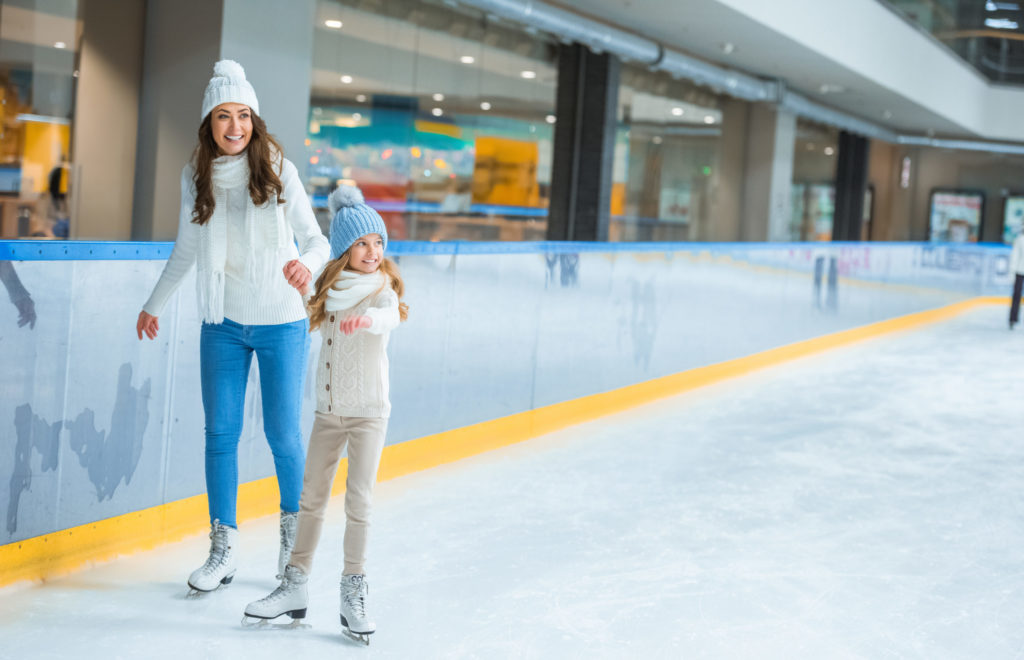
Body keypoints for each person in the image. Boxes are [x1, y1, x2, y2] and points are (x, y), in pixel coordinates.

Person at [136, 60, 330, 593]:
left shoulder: (278, 170)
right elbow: (188, 248)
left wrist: (303, 267)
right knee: (219, 436)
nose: (235, 127)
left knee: (282, 436)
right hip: (221, 320)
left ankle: (294, 551)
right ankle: (222, 550)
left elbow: (318, 243)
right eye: (224, 116)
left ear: (255, 120)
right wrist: (153, 304)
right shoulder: (194, 175)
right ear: (208, 123)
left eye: (244, 115)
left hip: (280, 321)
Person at [242, 184, 408, 645]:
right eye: (361, 243)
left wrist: (368, 321)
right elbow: (308, 309)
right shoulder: (329, 291)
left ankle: (352, 592)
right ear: (343, 249)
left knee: (359, 504)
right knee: (311, 498)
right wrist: (299, 286)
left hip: (369, 414)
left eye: (378, 242)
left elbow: (389, 317)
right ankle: (294, 585)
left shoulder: (381, 291)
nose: (372, 251)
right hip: (329, 413)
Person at [1011, 232, 1024, 329]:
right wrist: (1012, 272)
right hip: (1019, 271)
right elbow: (1014, 256)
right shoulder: (1020, 239)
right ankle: (1013, 318)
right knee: (1016, 295)